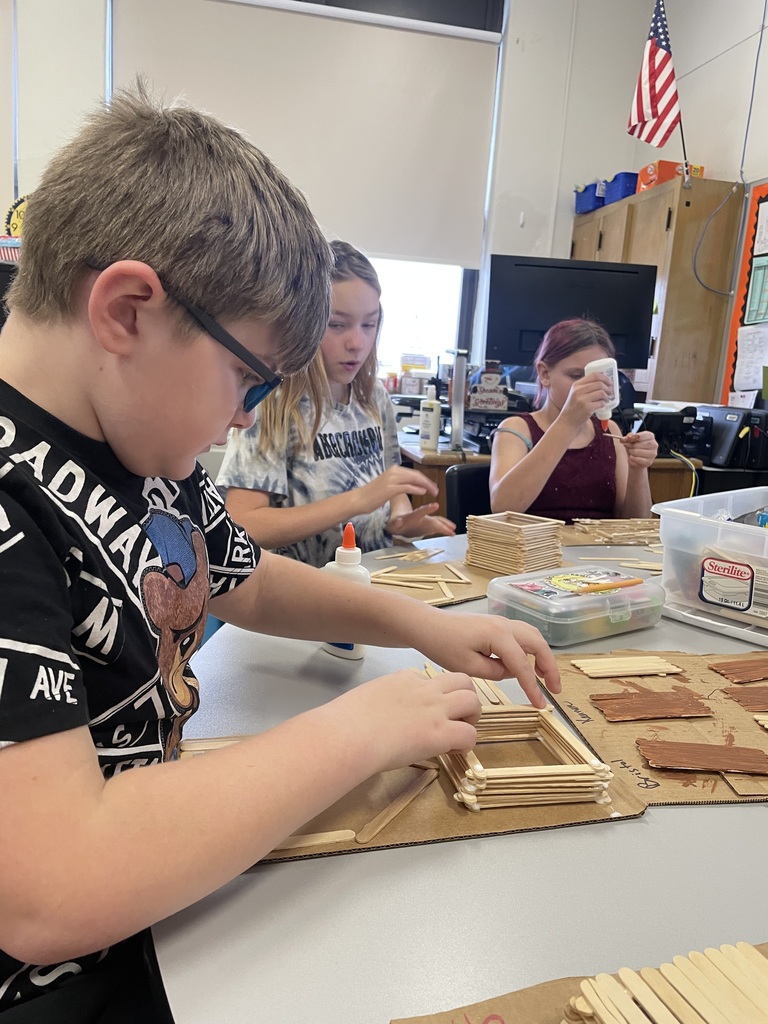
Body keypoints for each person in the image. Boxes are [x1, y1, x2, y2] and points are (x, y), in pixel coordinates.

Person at [0, 85, 560, 1021]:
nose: (243, 416)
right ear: (127, 311)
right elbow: (49, 891)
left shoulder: (138, 439)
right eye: (247, 379)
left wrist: (420, 623)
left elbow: (245, 581)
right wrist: (363, 731)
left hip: (165, 908)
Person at [217, 240, 455, 567]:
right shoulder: (271, 403)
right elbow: (245, 525)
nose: (357, 343)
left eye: (369, 324)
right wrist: (357, 501)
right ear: (306, 322)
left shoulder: (374, 397)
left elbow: (389, 483)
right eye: (337, 324)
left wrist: (400, 520)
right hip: (302, 591)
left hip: (376, 577)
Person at [489, 319, 658, 522]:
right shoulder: (516, 429)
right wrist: (568, 422)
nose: (588, 388)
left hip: (600, 550)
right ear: (544, 373)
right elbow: (502, 507)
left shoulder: (609, 430)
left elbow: (635, 522)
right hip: (535, 549)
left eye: (598, 378)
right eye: (577, 376)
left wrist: (638, 469)